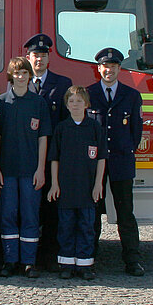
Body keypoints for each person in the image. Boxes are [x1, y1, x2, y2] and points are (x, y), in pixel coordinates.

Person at [88, 47, 145, 276]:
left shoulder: (131, 96)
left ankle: (133, 260)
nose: (108, 70)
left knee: (125, 214)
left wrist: (125, 150)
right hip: (95, 164)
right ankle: (89, 258)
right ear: (98, 69)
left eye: (113, 66)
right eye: (105, 66)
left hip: (121, 161)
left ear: (119, 69)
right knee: (92, 213)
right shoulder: (89, 94)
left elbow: (136, 132)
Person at [0, 57, 51, 278]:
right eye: (16, 73)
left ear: (29, 76)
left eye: (24, 73)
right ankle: (10, 261)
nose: (20, 77)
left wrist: (41, 169)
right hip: (7, 171)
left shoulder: (38, 103)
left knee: (30, 215)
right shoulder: (1, 102)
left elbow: (43, 138)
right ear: (11, 76)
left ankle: (28, 262)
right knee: (8, 215)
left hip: (30, 170)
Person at [25, 32, 72, 270]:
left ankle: (50, 256)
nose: (39, 59)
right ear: (28, 57)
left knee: (51, 208)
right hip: (26, 156)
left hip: (52, 157)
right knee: (29, 209)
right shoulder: (19, 82)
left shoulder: (62, 84)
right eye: (35, 55)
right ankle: (29, 257)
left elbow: (65, 124)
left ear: (49, 58)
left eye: (43, 55)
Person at [49, 85, 106, 279]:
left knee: (86, 227)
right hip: (66, 188)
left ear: (87, 104)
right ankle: (66, 264)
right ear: (66, 105)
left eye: (79, 101)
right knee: (66, 226)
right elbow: (54, 159)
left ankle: (84, 264)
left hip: (87, 188)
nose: (75, 105)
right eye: (71, 101)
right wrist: (54, 184)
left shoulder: (95, 128)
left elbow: (101, 158)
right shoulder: (61, 128)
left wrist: (98, 184)